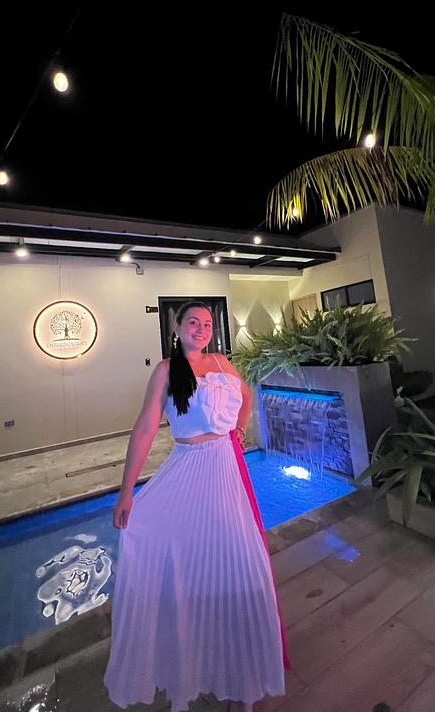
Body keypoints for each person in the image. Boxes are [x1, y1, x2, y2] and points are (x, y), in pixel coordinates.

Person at [104, 301, 290, 712]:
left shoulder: (223, 362)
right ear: (178, 328)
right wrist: (126, 492)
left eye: (207, 323)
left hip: (227, 470)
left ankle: (242, 682)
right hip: (188, 469)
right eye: (193, 322)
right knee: (191, 573)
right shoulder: (166, 371)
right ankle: (195, 666)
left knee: (241, 568)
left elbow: (246, 396)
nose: (201, 328)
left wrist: (239, 427)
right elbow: (146, 428)